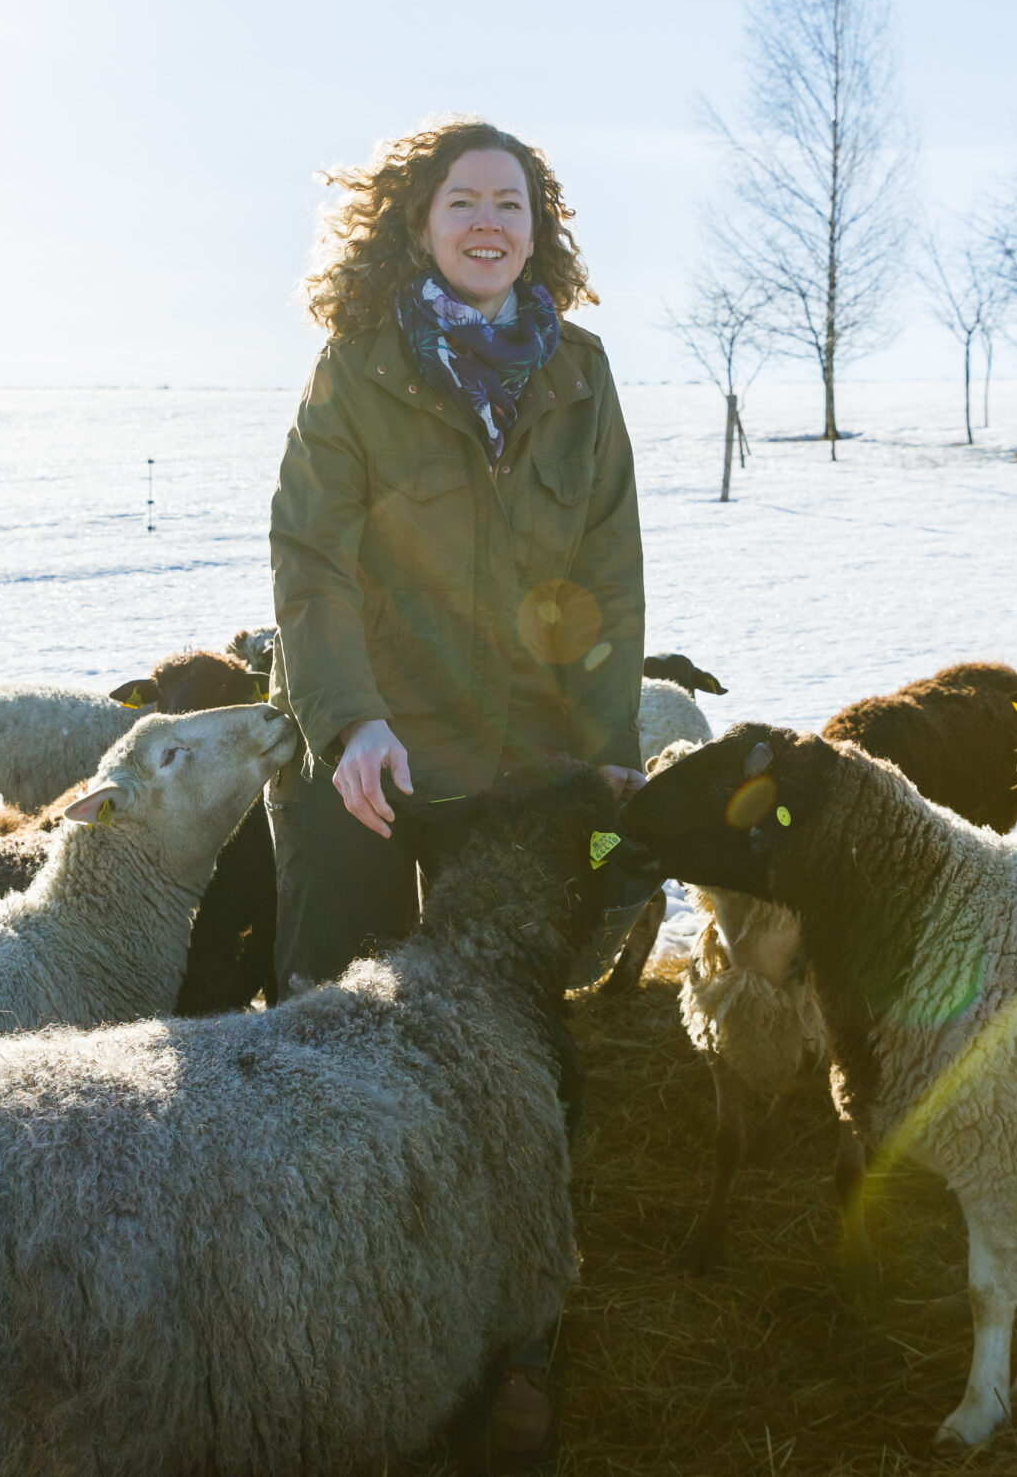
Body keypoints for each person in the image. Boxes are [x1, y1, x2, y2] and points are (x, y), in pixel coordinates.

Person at [265, 117, 644, 1461]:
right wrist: (350, 724)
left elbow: (607, 571)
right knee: (332, 1015)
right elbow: (309, 557)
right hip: (375, 755)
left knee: (519, 1036)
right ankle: (331, 1302)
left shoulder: (582, 374)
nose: (490, 225)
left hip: (527, 757)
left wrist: (605, 742)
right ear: (413, 224)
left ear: (540, 232)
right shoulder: (358, 372)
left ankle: (521, 1329)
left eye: (513, 205)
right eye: (463, 203)